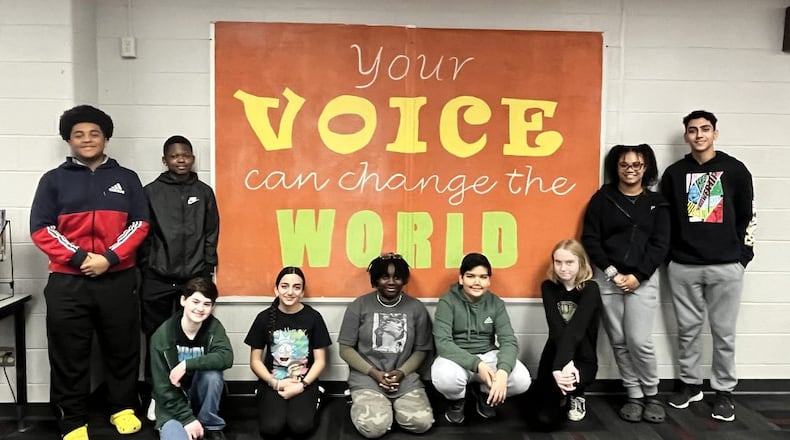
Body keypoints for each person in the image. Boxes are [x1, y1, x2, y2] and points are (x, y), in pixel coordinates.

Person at [30, 105, 149, 440]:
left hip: (118, 278)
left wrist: (109, 258)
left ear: (106, 138)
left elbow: (140, 224)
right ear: (68, 140)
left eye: (94, 133)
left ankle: (122, 408)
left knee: (122, 348)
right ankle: (72, 421)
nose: (87, 139)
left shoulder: (127, 178)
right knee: (69, 353)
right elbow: (41, 229)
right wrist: (82, 258)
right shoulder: (53, 180)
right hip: (68, 281)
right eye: (78, 134)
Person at [661, 110, 756, 422]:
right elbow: (665, 219)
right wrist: (670, 258)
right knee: (687, 331)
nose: (699, 135)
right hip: (684, 265)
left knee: (724, 333)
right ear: (686, 136)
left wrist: (743, 257)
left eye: (705, 129)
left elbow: (748, 215)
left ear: (715, 133)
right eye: (692, 130)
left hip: (726, 265)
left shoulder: (735, 170)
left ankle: (724, 392)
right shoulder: (674, 174)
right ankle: (690, 385)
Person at [581, 144, 670, 423]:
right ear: (616, 168)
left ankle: (652, 394)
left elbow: (660, 244)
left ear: (646, 168)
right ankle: (634, 394)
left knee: (639, 340)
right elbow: (591, 239)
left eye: (637, 165)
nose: (630, 170)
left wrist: (638, 277)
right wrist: (612, 273)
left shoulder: (658, 203)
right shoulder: (602, 199)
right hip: (609, 279)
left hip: (643, 280)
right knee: (619, 341)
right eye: (624, 164)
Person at [139, 135, 220, 420]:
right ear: (165, 160)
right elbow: (143, 234)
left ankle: (189, 393)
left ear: (193, 158)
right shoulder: (150, 192)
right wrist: (148, 266)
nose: (181, 159)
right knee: (157, 338)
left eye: (186, 155)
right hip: (158, 278)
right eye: (174, 156)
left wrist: (206, 269)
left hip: (194, 279)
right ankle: (158, 395)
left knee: (193, 336)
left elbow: (211, 233)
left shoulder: (204, 192)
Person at [338, 253, 435, 438]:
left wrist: (401, 373)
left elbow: (422, 350)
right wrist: (374, 373)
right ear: (376, 279)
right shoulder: (359, 306)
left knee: (422, 424)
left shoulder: (416, 308)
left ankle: (390, 410)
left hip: (405, 379)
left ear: (403, 280)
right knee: (374, 429)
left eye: (397, 277)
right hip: (367, 379)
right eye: (385, 277)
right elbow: (345, 349)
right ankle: (371, 406)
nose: (391, 282)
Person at [431, 252, 531, 424]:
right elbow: (443, 343)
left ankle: (484, 394)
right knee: (445, 378)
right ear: (461, 279)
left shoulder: (495, 303)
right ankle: (458, 400)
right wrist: (478, 365)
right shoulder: (447, 302)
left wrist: (502, 372)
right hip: (457, 357)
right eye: (471, 276)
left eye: (483, 277)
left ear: (489, 281)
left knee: (522, 380)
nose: (477, 282)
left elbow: (508, 341)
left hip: (488, 355)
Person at [244, 267, 332, 439]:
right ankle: (262, 395)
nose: (290, 292)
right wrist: (275, 383)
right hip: (273, 381)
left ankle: (317, 394)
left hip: (303, 381)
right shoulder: (263, 318)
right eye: (284, 286)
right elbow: (255, 361)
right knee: (271, 428)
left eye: (296, 287)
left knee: (300, 427)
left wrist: (302, 385)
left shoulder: (314, 317)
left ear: (302, 292)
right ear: (276, 289)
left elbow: (320, 361)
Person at [525, 239, 601, 430]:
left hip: (583, 353)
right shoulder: (548, 287)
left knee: (572, 381)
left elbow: (577, 329)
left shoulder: (590, 289)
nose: (563, 268)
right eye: (558, 262)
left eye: (569, 262)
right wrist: (559, 366)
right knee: (543, 418)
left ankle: (577, 394)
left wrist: (564, 365)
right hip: (555, 350)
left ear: (581, 262)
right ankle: (560, 392)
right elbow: (556, 328)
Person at [149, 277, 233, 440]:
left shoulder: (213, 327)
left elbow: (226, 357)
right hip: (172, 404)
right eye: (195, 302)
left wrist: (187, 364)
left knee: (212, 375)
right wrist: (187, 419)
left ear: (212, 307)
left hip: (199, 396)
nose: (200, 308)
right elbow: (162, 388)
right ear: (183, 301)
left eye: (207, 304)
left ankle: (210, 425)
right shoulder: (162, 336)